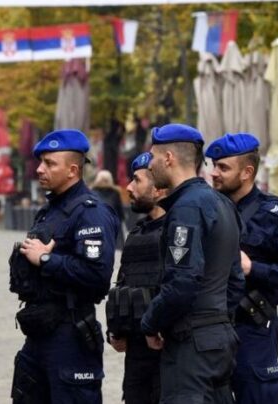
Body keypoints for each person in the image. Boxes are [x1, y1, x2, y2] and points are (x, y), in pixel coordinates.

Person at [205, 133, 278, 403]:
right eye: (213, 166)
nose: (214, 174)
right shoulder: (208, 211)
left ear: (247, 172)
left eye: (223, 168)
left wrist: (253, 268)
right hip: (212, 333)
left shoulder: (272, 215)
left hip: (253, 332)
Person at [9, 129, 119, 404]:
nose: (40, 169)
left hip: (70, 335)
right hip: (39, 332)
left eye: (49, 163)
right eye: (40, 162)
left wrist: (47, 260)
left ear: (72, 170)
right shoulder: (49, 211)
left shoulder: (90, 212)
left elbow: (97, 274)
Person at [141, 123, 239, 403]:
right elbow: (235, 281)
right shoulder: (222, 203)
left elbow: (182, 282)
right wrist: (218, 322)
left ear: (169, 158)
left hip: (191, 346)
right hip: (219, 339)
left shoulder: (186, 207)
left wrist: (151, 322)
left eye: (152, 157)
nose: (149, 166)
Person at [106, 152, 167, 404]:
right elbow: (123, 284)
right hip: (136, 352)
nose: (129, 187)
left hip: (168, 350)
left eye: (137, 180)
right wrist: (115, 329)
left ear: (158, 190)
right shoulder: (137, 232)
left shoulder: (178, 231)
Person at [91, 169, 125, 248]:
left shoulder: (115, 193)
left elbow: (119, 208)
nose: (104, 182)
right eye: (102, 179)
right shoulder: (93, 192)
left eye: (105, 180)